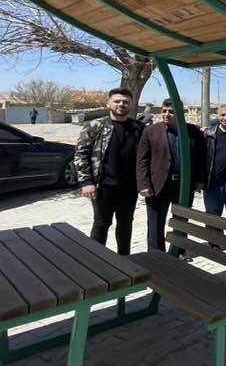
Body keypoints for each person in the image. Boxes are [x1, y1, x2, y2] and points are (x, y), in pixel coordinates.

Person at [75, 88, 144, 255]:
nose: (121, 104)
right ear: (108, 104)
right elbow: (81, 154)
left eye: (125, 102)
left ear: (131, 105)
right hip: (103, 186)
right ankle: (96, 260)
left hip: (129, 187)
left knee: (126, 223)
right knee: (101, 223)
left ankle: (124, 258)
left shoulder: (138, 127)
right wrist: (87, 182)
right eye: (117, 101)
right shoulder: (95, 126)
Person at [136, 100, 205, 251]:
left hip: (183, 185)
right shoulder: (151, 131)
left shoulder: (193, 131)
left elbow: (200, 158)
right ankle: (155, 253)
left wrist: (200, 180)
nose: (167, 114)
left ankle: (179, 250)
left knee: (181, 220)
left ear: (180, 113)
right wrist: (143, 184)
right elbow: (142, 160)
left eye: (171, 112)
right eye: (164, 111)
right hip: (158, 184)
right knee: (155, 222)